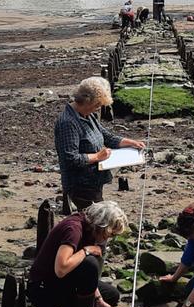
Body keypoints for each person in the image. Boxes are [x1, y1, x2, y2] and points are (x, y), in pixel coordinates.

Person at [28, 200, 128, 307]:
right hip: (43, 288)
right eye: (110, 235)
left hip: (60, 281)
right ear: (102, 226)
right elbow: (61, 269)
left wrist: (98, 300)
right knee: (90, 263)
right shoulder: (74, 229)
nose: (108, 239)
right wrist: (86, 250)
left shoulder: (89, 228)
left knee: (112, 295)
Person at [54, 77, 146, 210]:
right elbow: (70, 158)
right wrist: (97, 156)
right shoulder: (68, 123)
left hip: (94, 181)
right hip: (80, 186)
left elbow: (105, 135)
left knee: (97, 218)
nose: (98, 109)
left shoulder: (87, 114)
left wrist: (128, 142)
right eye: (97, 105)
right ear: (86, 101)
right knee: (95, 221)